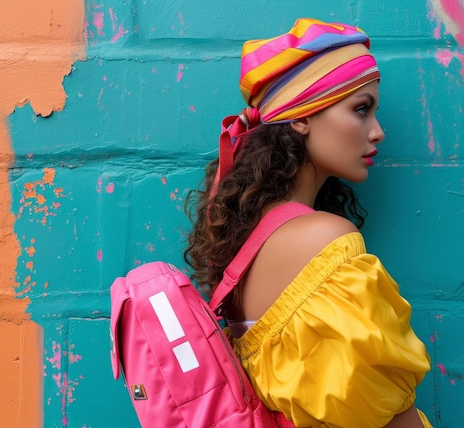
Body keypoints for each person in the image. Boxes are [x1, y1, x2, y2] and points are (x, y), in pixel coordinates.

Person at [185, 18, 432, 428]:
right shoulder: (324, 241)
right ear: (301, 118)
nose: (378, 132)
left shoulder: (248, 241)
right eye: (361, 109)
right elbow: (387, 416)